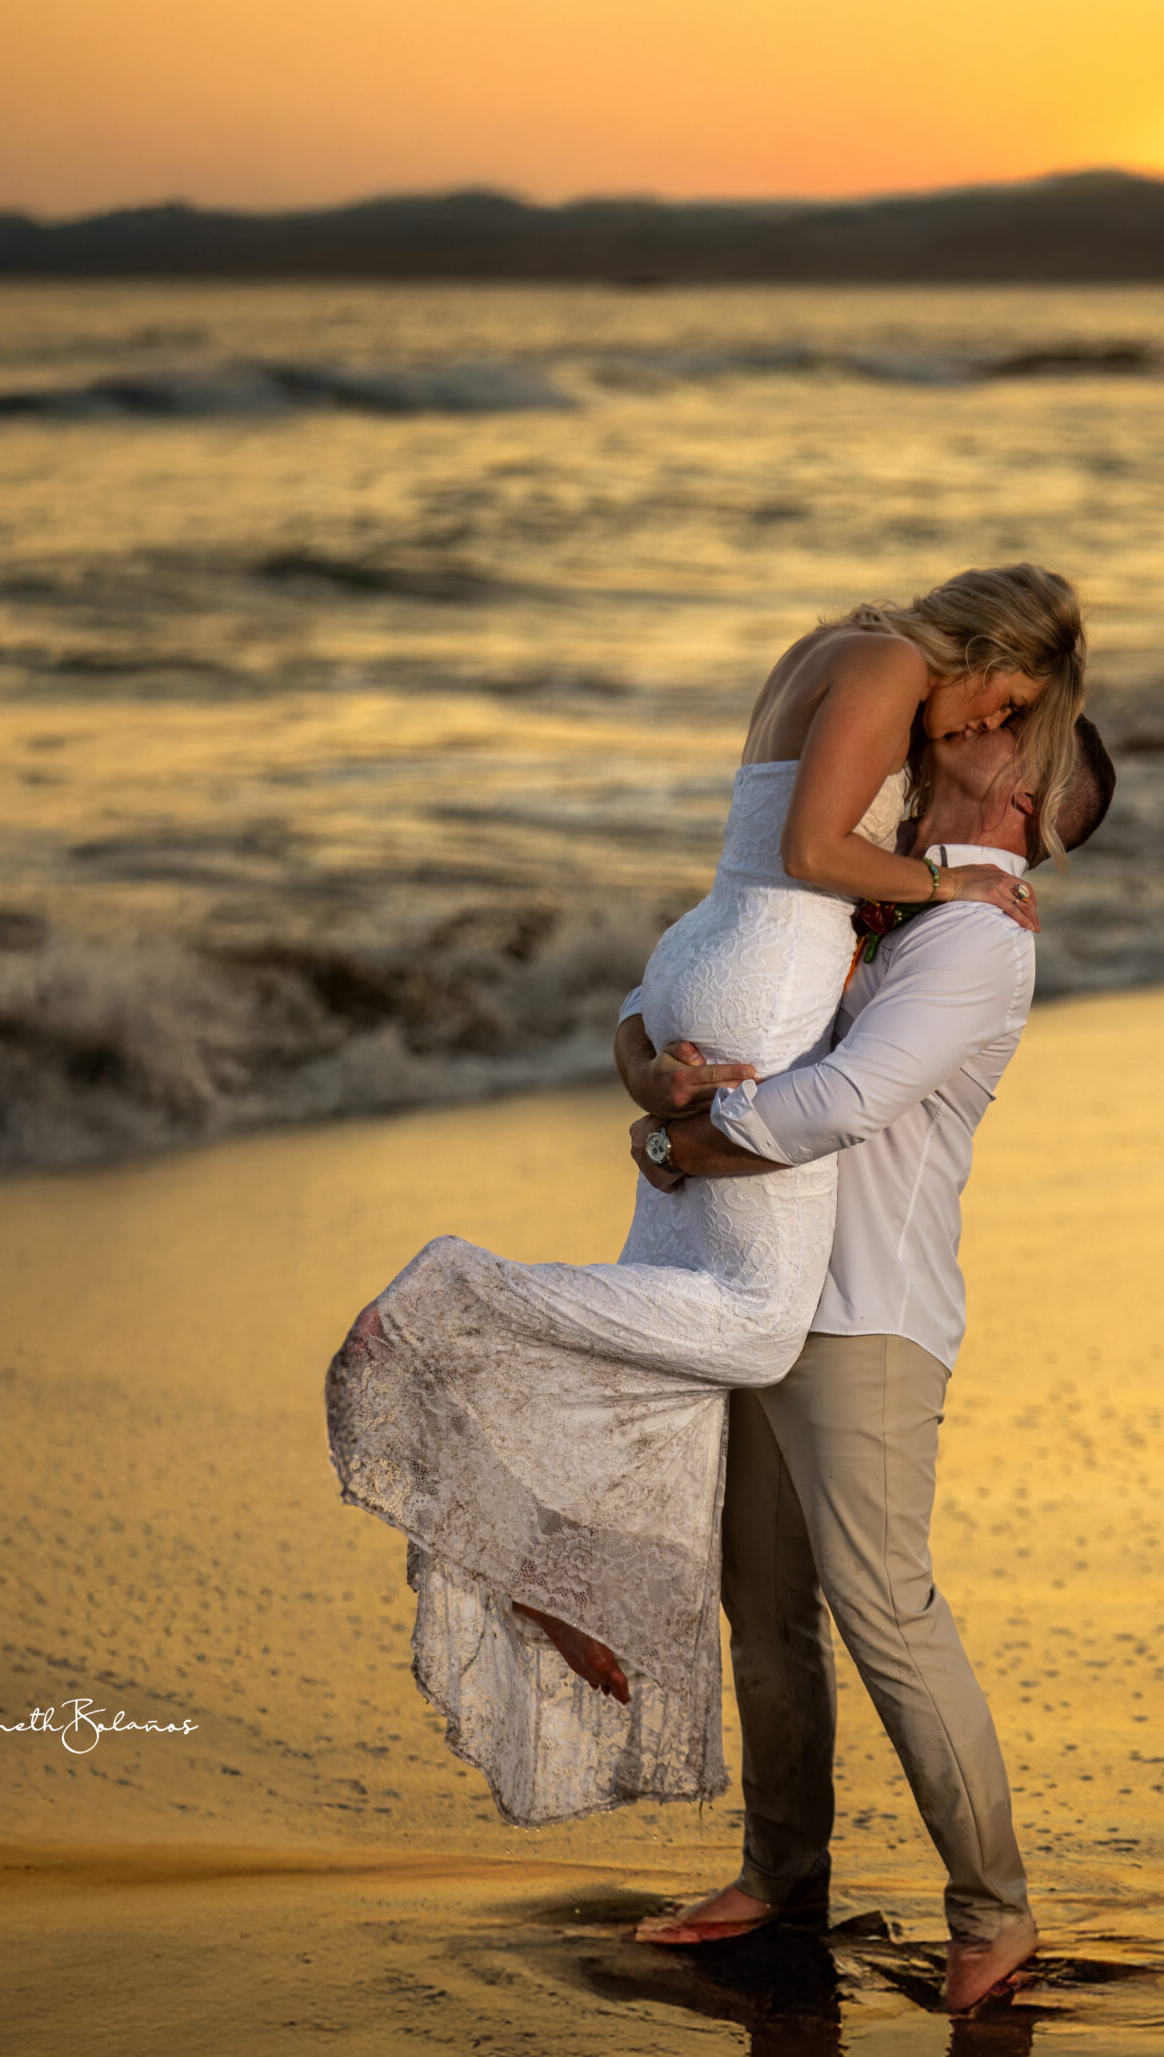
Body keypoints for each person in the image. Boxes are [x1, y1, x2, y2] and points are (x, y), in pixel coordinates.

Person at [326, 566, 1085, 1834]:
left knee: (678, 1367)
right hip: (761, 966)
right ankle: (460, 1309)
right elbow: (810, 859)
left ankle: (564, 1567)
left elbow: (780, 863)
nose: (979, 725)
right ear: (989, 647)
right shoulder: (895, 680)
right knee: (750, 1326)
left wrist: (664, 1097)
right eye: (1005, 697)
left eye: (1005, 722)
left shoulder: (831, 661)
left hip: (707, 948)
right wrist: (948, 885)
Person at [617, 712, 1117, 2011]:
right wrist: (655, 1065)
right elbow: (675, 991)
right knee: (762, 1605)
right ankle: (778, 1873)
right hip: (755, 1287)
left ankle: (992, 1912)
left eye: (1015, 724)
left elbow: (843, 1101)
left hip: (864, 1320)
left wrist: (687, 1141)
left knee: (883, 1612)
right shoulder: (865, 875)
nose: (980, 717)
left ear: (1022, 796)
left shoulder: (974, 939)